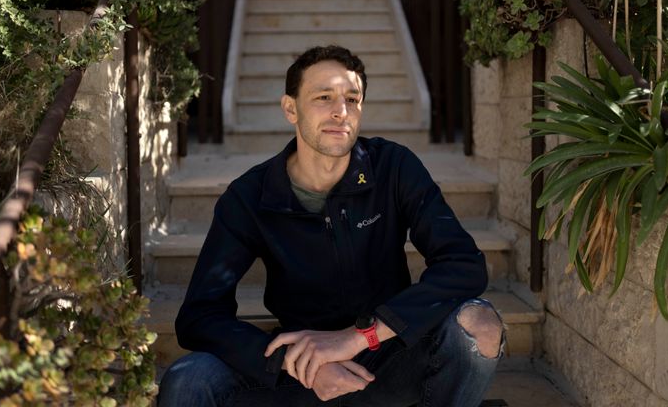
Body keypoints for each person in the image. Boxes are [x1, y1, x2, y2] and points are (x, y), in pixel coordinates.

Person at [158, 45, 504, 407]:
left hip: (389, 358)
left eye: (352, 99)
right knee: (189, 380)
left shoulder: (392, 168)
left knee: (479, 323)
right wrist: (292, 363)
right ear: (291, 108)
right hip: (302, 374)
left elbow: (463, 265)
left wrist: (359, 336)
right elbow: (199, 316)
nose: (341, 112)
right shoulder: (249, 197)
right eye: (324, 97)